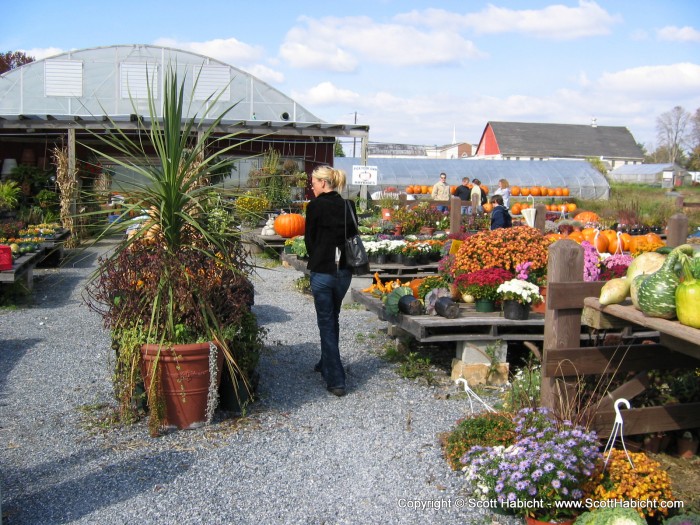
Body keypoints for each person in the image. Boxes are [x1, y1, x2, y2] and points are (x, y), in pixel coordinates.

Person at [304, 165, 357, 397]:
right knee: (332, 316)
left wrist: (318, 255)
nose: (312, 186)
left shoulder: (315, 206)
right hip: (344, 272)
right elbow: (354, 235)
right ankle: (325, 360)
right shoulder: (349, 205)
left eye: (313, 182)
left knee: (326, 321)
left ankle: (336, 379)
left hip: (323, 271)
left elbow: (310, 240)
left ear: (323, 183)